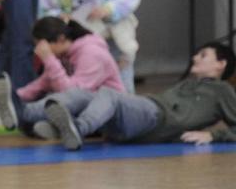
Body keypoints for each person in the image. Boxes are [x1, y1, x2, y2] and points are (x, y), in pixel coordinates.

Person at [43, 42, 236, 151]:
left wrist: (213, 135)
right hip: (140, 121)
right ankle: (31, 116)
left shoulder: (223, 91)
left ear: (221, 64)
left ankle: (78, 129)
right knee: (83, 96)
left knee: (109, 94)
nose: (194, 58)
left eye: (203, 55)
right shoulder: (188, 83)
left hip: (156, 117)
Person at [0, 17, 124, 135]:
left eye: (42, 46)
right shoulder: (64, 55)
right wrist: (14, 97)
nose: (38, 51)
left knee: (65, 98)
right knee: (45, 99)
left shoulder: (92, 53)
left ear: (60, 39)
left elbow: (72, 93)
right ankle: (43, 125)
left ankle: (24, 113)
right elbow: (43, 83)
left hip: (106, 113)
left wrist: (48, 58)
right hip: (84, 108)